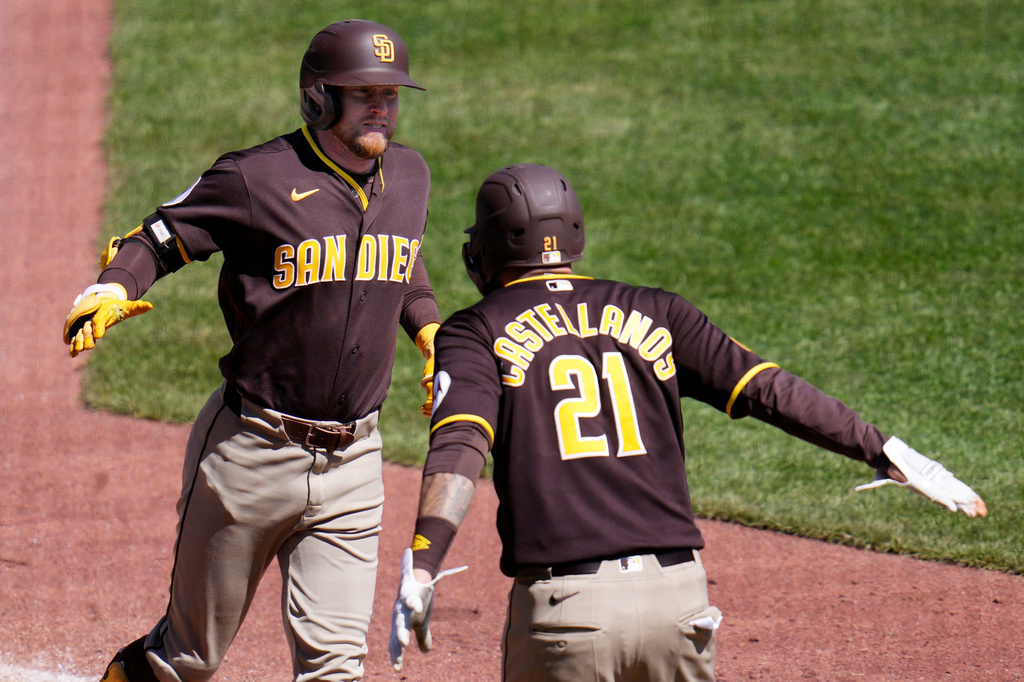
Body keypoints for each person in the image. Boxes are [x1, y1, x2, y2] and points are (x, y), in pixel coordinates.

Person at [386, 163, 987, 681]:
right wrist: (883, 448)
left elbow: (460, 445)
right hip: (680, 605)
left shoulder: (476, 330)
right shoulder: (657, 309)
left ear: (485, 250)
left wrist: (424, 560)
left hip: (567, 611)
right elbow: (770, 391)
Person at [62, 19, 440, 682]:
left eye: (391, 94)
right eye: (364, 93)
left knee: (337, 671)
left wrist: (429, 328)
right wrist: (113, 286)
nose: (383, 106)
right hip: (250, 452)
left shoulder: (408, 176)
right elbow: (159, 235)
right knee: (186, 661)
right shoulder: (255, 177)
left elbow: (401, 261)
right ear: (318, 98)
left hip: (355, 463)